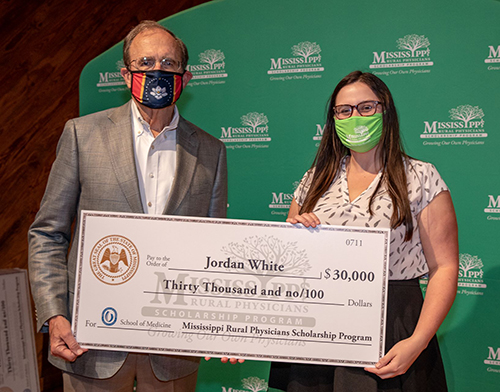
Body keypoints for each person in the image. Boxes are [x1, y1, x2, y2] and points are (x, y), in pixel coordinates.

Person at [28, 21, 228, 391]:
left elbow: (211, 250)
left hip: (173, 352)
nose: (157, 72)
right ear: (125, 74)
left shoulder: (211, 151)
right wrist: (55, 314)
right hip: (89, 344)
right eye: (146, 62)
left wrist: (224, 322)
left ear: (186, 76)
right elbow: (47, 233)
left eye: (169, 65)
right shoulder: (82, 135)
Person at [269, 71, 458, 391]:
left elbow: (444, 267)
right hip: (317, 327)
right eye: (344, 110)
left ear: (386, 111)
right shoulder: (313, 180)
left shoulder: (421, 177)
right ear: (333, 119)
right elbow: (288, 268)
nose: (354, 116)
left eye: (366, 107)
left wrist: (418, 341)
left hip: (394, 329)